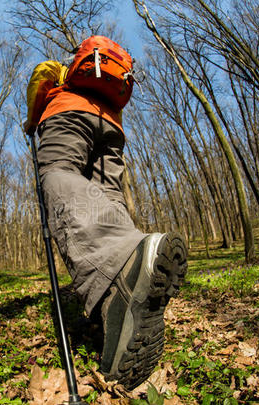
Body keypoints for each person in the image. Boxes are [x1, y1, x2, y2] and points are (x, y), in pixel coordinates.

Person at [24, 36, 188, 391]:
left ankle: (128, 266)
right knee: (108, 199)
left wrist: (31, 119)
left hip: (67, 114)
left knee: (59, 172)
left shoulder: (60, 73)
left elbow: (39, 79)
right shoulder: (111, 88)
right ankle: (126, 283)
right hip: (113, 126)